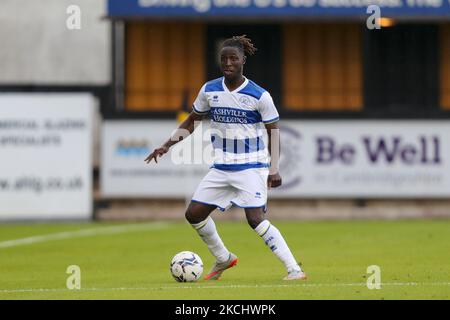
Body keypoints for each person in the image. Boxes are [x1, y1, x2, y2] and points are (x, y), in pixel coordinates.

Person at [145, 35, 306, 281]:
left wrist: (274, 168)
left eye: (233, 58)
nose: (228, 63)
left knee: (254, 218)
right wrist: (166, 145)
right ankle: (223, 257)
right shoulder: (209, 90)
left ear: (243, 60)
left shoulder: (259, 95)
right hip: (221, 166)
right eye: (224, 59)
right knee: (194, 214)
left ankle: (294, 269)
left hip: (251, 166)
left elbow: (274, 132)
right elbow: (192, 121)